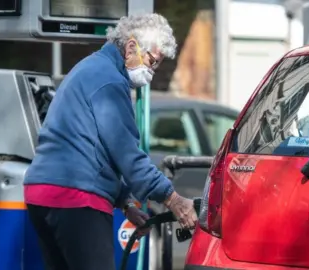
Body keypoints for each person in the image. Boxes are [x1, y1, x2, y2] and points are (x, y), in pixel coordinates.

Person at [23, 13, 198, 270]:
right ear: (130, 47)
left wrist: (126, 203)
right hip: (76, 197)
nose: (150, 73)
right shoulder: (110, 83)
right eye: (151, 62)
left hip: (42, 192)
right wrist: (173, 200)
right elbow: (128, 155)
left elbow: (94, 149)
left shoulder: (89, 68)